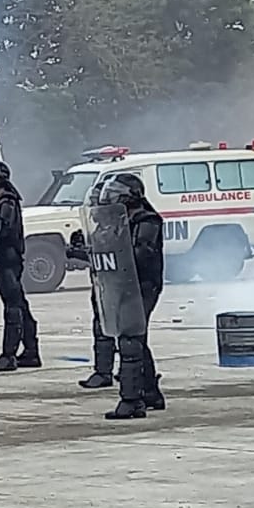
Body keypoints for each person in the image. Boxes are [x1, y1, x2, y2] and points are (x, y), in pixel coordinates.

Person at [89, 173, 167, 420]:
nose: (110, 196)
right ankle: (151, 393)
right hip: (122, 284)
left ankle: (132, 401)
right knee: (135, 339)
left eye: (116, 191)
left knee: (130, 338)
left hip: (142, 285)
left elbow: (139, 254)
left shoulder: (148, 221)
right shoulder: (119, 220)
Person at [0, 160, 41, 371]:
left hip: (8, 258)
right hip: (4, 258)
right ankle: (31, 351)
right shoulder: (0, 200)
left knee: (13, 306)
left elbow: (2, 229)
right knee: (19, 304)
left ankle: (9, 355)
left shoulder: (6, 202)